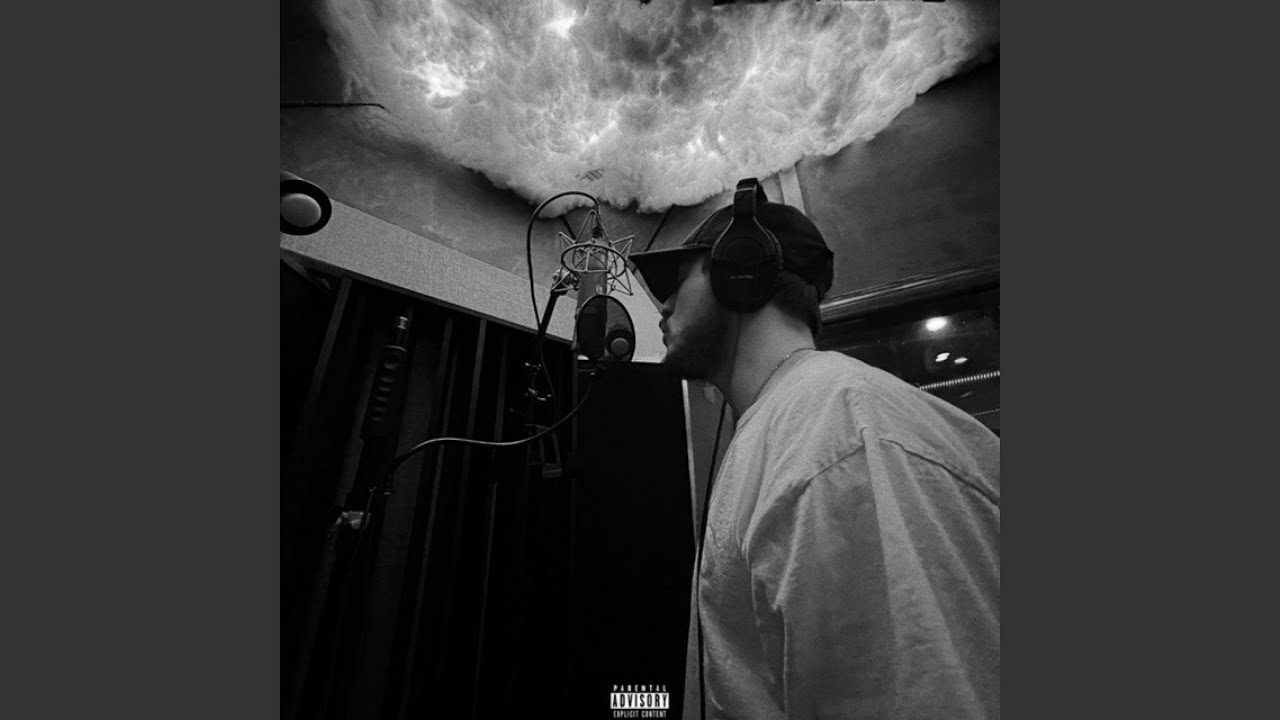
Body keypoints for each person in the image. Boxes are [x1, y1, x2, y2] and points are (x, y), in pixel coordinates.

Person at [627, 180, 1000, 719]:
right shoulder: (799, 424)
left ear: (740, 269)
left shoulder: (834, 431)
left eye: (679, 280)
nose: (663, 306)